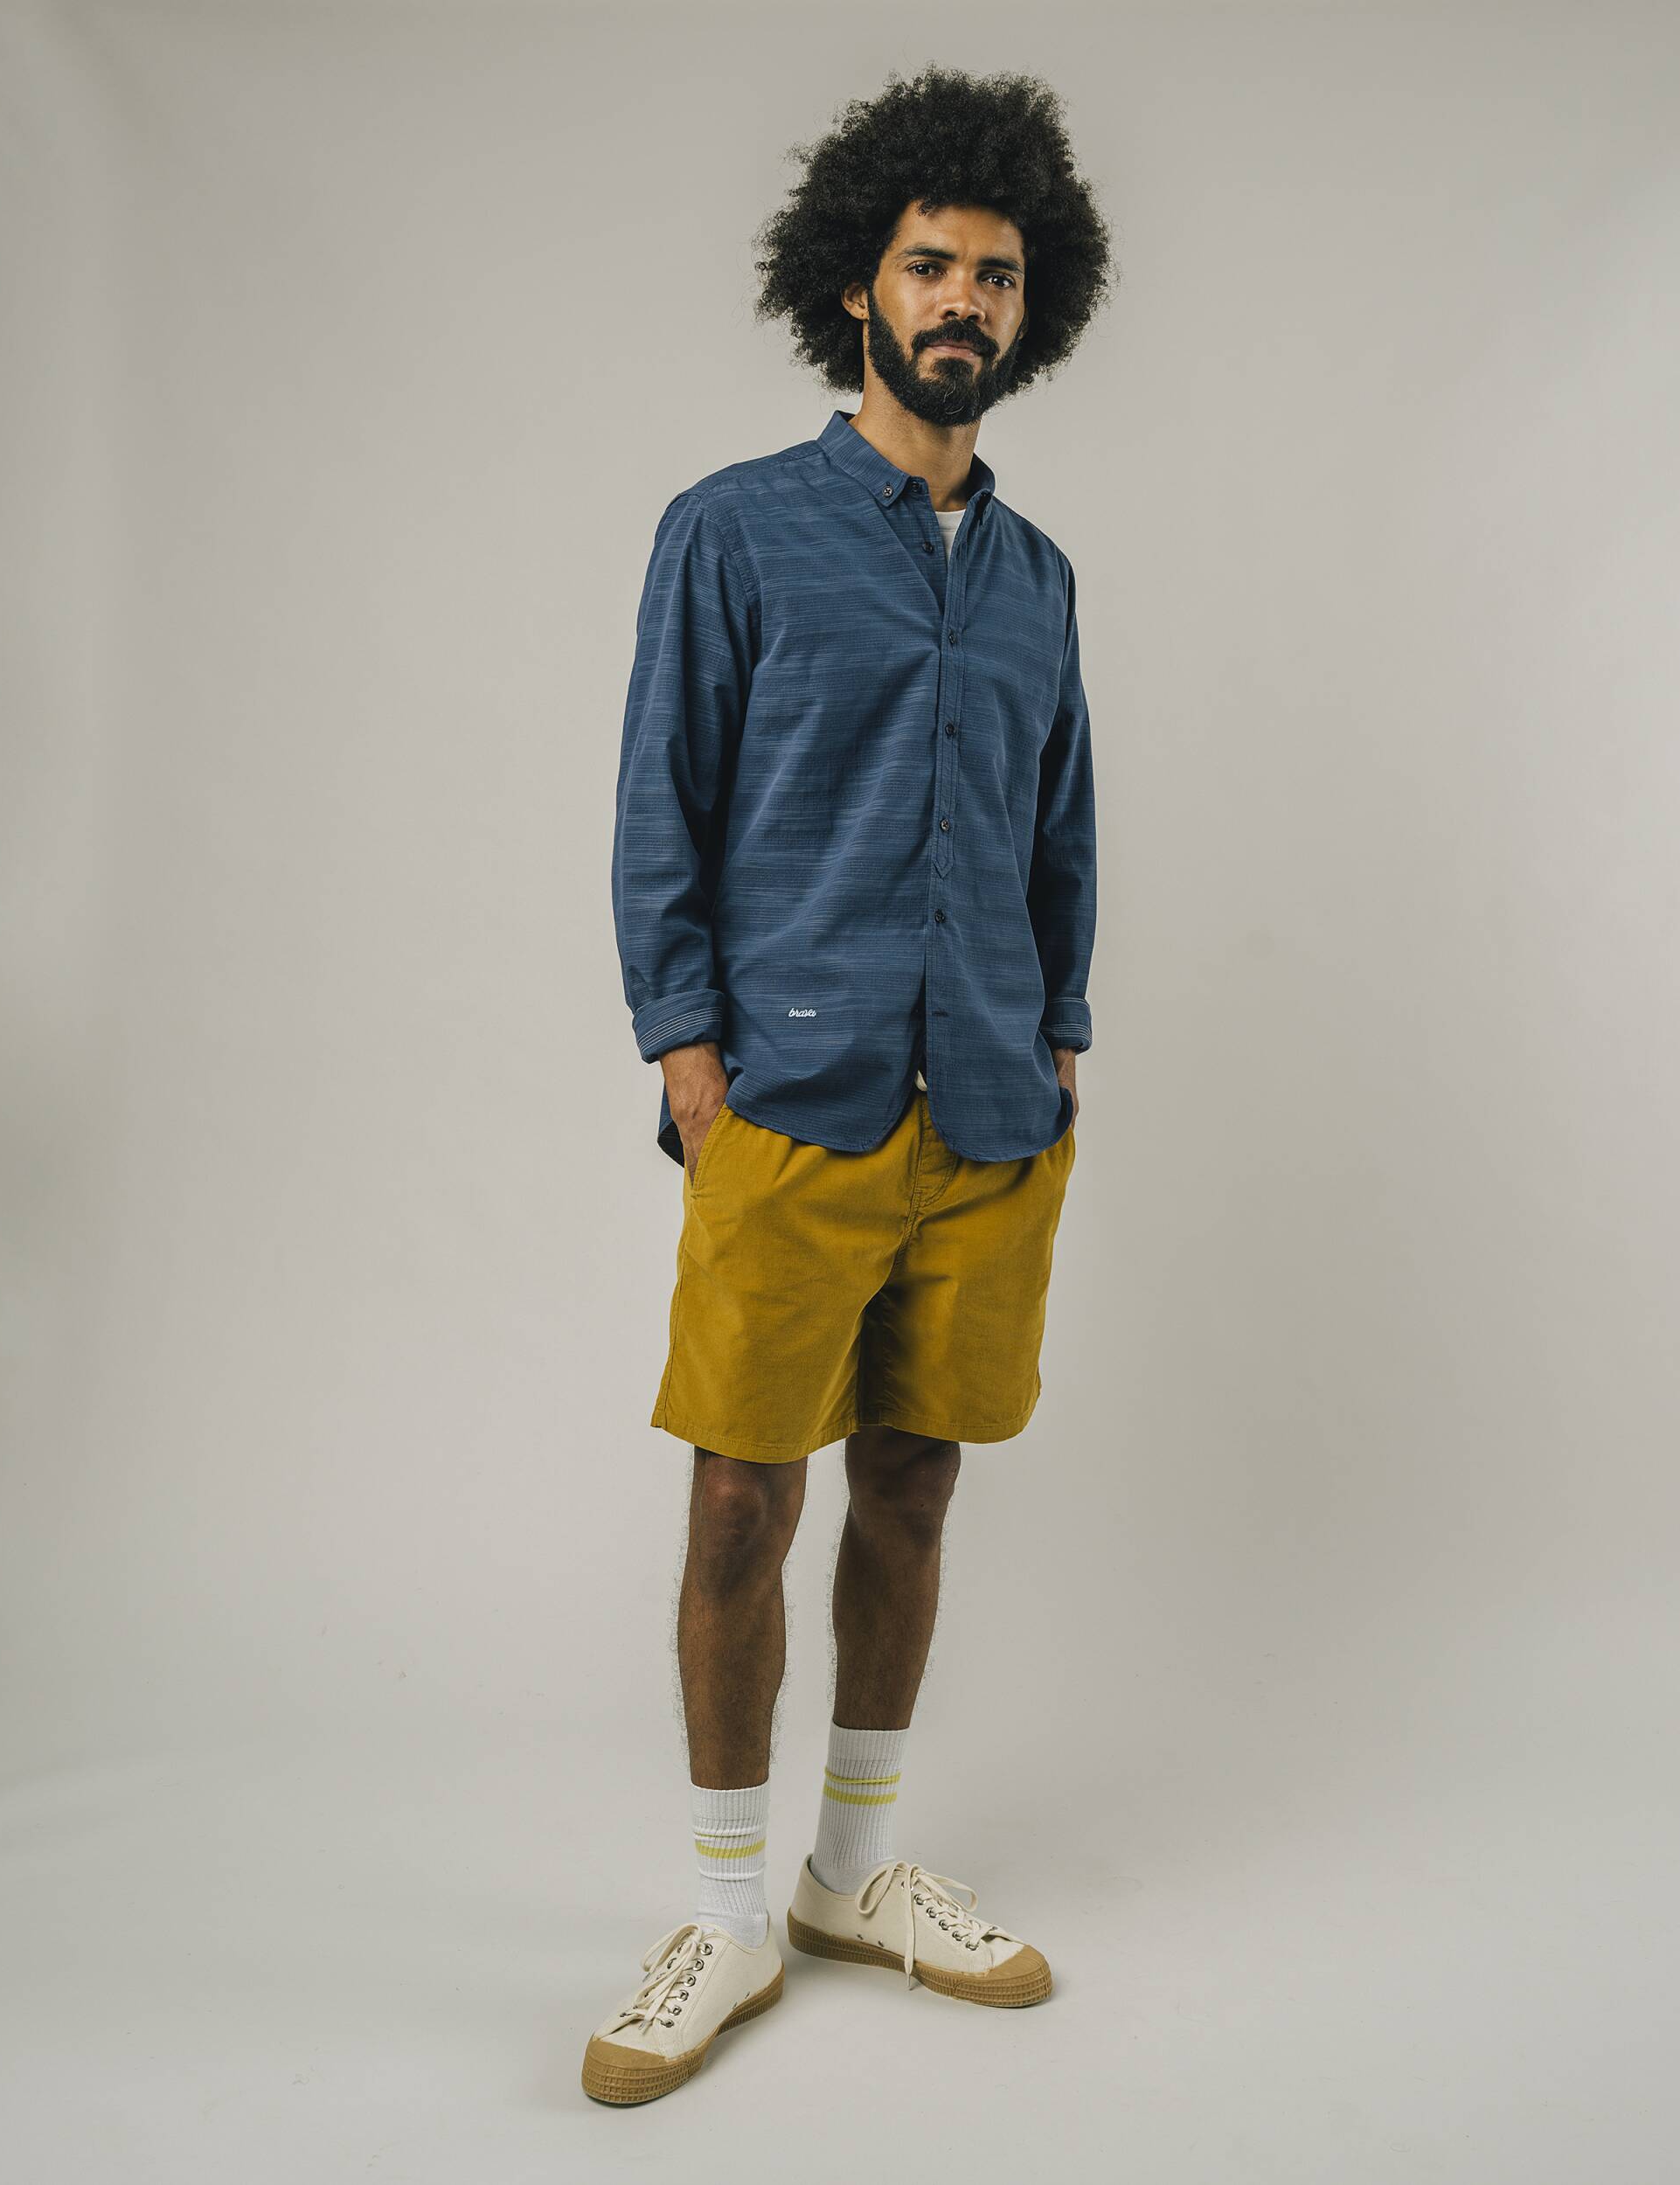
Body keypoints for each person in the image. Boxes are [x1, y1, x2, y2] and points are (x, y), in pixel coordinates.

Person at [587, 64, 1115, 2105]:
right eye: (928, 264)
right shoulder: (730, 531)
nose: (962, 297)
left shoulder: (1039, 577)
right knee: (743, 1491)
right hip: (787, 1102)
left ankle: (848, 1874)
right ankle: (726, 1908)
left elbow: (1063, 829)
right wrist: (688, 1059)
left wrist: (1058, 1038)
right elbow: (664, 802)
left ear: (1028, 307)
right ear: (856, 288)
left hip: (988, 1109)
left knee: (914, 1478)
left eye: (994, 273)